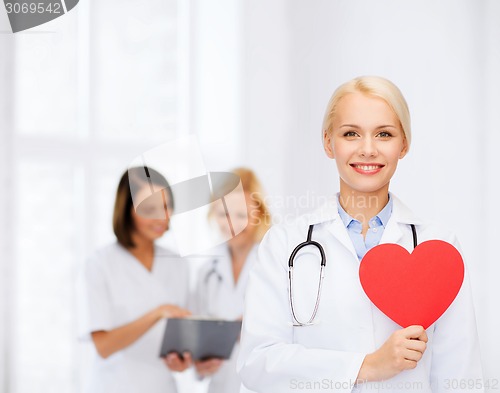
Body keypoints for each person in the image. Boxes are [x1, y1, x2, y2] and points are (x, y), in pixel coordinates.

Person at [237, 76, 484, 392]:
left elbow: (461, 377)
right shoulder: (284, 244)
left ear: (404, 144)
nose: (368, 150)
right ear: (329, 143)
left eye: (384, 134)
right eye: (351, 133)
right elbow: (258, 363)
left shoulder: (439, 247)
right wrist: (367, 366)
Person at [77, 166, 192, 393]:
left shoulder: (178, 263)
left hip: (163, 386)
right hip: (115, 386)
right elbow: (104, 346)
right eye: (150, 208)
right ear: (127, 210)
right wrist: (158, 312)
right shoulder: (100, 264)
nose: (162, 216)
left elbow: (180, 337)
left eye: (166, 206)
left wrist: (182, 360)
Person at [191, 167, 272, 393]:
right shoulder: (206, 273)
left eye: (242, 214)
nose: (233, 224)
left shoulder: (277, 264)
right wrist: (200, 363)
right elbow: (197, 342)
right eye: (224, 214)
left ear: (259, 214)